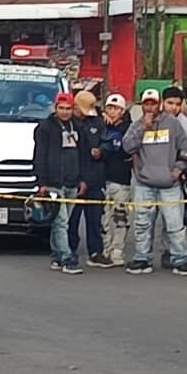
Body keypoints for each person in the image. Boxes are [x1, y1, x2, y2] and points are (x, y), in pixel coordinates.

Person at [122, 89, 187, 276]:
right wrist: (142, 128)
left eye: (153, 103)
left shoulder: (173, 124)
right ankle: (142, 258)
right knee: (142, 223)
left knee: (175, 225)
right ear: (142, 105)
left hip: (170, 184)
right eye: (146, 104)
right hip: (144, 183)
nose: (150, 107)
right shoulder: (136, 125)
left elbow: (186, 151)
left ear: (159, 105)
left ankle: (180, 260)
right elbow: (127, 147)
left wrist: (177, 170)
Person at [34, 93, 90, 275]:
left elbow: (83, 155)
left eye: (68, 108)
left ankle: (56, 257)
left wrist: (83, 179)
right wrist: (42, 182)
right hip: (53, 182)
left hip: (72, 181)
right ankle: (67, 258)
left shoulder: (78, 127)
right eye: (61, 108)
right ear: (55, 107)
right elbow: (40, 155)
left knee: (62, 222)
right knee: (61, 222)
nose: (65, 112)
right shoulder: (45, 128)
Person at [70, 91, 108, 268]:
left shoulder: (97, 122)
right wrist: (79, 179)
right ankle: (69, 251)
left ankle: (96, 252)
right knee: (72, 219)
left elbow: (106, 141)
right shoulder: (69, 124)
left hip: (95, 177)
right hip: (74, 178)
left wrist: (101, 150)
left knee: (95, 219)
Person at [97, 94, 133, 267]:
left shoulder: (129, 128)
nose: (112, 112)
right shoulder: (100, 126)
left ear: (122, 111)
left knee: (121, 217)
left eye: (116, 109)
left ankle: (118, 250)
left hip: (122, 180)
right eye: (109, 108)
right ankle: (106, 249)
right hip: (103, 179)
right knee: (103, 218)